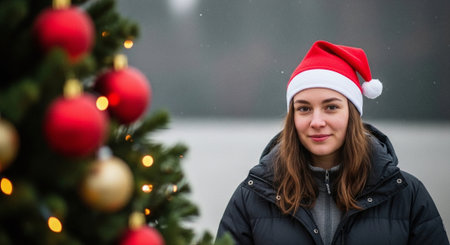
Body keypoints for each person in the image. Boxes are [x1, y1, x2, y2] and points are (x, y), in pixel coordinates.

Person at [216, 40, 449, 245]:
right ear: (292, 117)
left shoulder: (406, 196)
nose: (317, 122)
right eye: (304, 108)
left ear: (352, 114)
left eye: (331, 107)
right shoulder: (252, 197)